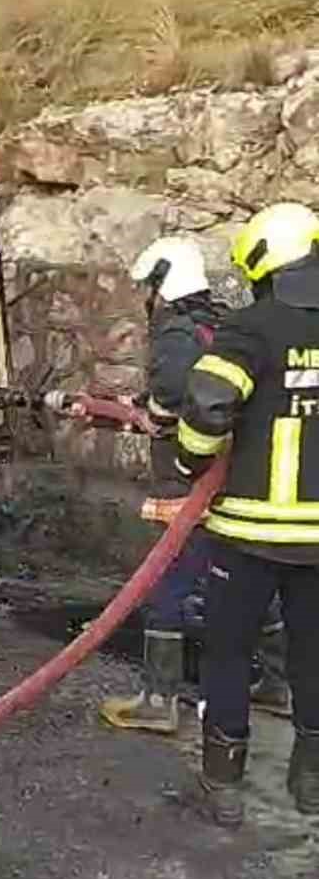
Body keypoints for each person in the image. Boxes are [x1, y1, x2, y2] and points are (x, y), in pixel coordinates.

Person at [100, 237, 290, 734]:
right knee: (245, 581)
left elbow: (173, 398)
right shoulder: (223, 323)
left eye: (149, 286)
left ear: (162, 282)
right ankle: (279, 683)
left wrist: (150, 415)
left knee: (168, 582)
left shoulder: (175, 331)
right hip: (231, 482)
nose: (147, 297)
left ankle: (159, 700)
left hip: (186, 480)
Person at [176, 203, 319, 826]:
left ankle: (224, 784)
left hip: (248, 534)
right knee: (313, 655)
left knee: (229, 653)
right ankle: (311, 783)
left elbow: (209, 401)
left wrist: (190, 458)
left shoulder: (252, 328)